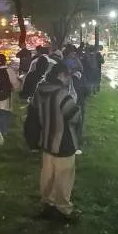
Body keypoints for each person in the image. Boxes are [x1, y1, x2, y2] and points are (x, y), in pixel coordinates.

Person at [32, 62, 81, 223]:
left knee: (47, 175)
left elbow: (34, 111)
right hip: (63, 143)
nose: (68, 79)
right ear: (61, 75)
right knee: (64, 178)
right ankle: (63, 209)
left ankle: (48, 203)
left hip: (46, 141)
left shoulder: (40, 91)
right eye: (67, 75)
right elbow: (74, 116)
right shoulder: (61, 94)